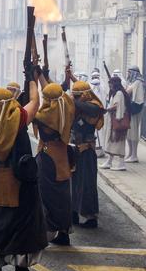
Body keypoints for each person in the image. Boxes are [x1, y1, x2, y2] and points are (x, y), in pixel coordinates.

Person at [0, 67, 47, 271]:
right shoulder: (16, 120)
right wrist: (33, 80)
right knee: (23, 223)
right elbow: (35, 103)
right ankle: (21, 268)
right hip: (18, 181)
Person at [34, 80, 76, 246]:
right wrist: (42, 77)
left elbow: (34, 113)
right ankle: (64, 232)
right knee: (63, 196)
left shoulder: (44, 117)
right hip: (63, 158)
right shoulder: (68, 107)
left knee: (46, 196)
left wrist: (33, 81)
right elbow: (60, 93)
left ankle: (48, 231)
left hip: (48, 159)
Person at [70, 81, 104, 228]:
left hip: (87, 150)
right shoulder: (78, 104)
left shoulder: (94, 106)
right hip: (74, 149)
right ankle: (74, 213)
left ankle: (91, 218)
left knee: (87, 184)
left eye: (78, 95)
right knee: (74, 184)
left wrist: (75, 100)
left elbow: (88, 108)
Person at [100, 76, 130, 171]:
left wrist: (106, 109)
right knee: (112, 142)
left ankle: (121, 164)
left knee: (118, 142)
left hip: (118, 121)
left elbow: (116, 106)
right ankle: (109, 161)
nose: (109, 85)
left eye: (111, 83)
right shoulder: (116, 93)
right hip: (113, 120)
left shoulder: (119, 93)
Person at [125, 66, 145, 163]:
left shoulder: (138, 82)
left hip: (135, 110)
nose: (128, 74)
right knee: (129, 132)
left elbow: (128, 92)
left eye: (129, 72)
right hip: (130, 110)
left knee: (133, 132)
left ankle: (134, 155)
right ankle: (130, 153)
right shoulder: (132, 82)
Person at [89, 73, 106, 158]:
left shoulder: (102, 89)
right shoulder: (90, 90)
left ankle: (101, 150)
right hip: (93, 116)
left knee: (100, 133)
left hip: (99, 116)